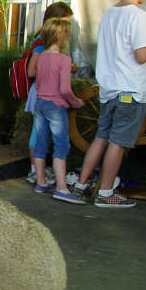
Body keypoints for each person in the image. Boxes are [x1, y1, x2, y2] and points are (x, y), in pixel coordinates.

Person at [71, 0, 146, 208]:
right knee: (119, 142)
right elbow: (142, 56)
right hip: (130, 90)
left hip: (108, 90)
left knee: (102, 137)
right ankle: (106, 193)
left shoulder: (110, 13)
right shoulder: (139, 17)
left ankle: (81, 184)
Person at [30, 18, 85, 204]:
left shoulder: (42, 56)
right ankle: (62, 188)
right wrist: (75, 102)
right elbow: (65, 90)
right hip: (55, 106)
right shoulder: (63, 59)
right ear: (62, 37)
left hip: (40, 102)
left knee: (41, 143)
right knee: (61, 146)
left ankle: (41, 182)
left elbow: (39, 82)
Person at [24, 2, 75, 187]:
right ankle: (36, 172)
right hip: (44, 93)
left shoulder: (47, 48)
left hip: (42, 94)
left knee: (40, 136)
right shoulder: (42, 45)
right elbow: (31, 71)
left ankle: (39, 177)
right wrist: (58, 70)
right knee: (40, 137)